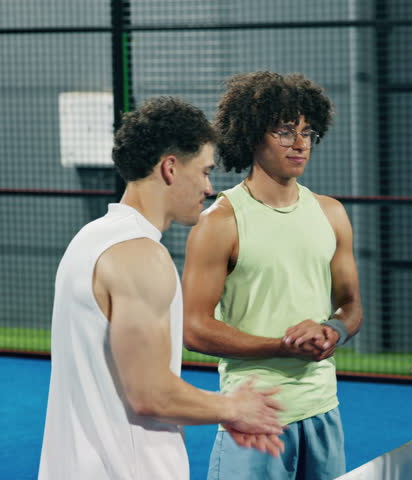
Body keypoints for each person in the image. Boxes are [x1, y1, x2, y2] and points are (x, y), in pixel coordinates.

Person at [38, 96, 284, 480]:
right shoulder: (142, 256)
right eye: (204, 171)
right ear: (170, 167)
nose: (208, 187)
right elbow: (150, 394)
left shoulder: (89, 238)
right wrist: (234, 408)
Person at [182, 72, 363, 480]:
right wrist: (282, 347)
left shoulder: (332, 213)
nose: (300, 144)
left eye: (307, 132)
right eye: (284, 132)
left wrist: (334, 330)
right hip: (253, 418)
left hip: (323, 410)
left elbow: (350, 305)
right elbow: (193, 329)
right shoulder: (219, 223)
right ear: (251, 136)